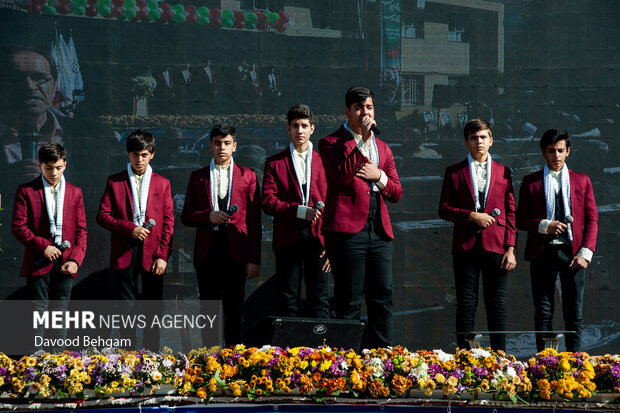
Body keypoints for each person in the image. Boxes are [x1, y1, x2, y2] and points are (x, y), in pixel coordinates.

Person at [318, 86, 402, 348]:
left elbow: (397, 192)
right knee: (349, 299)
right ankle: (347, 363)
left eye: (369, 108)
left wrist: (380, 177)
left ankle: (383, 360)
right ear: (347, 112)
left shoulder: (384, 148)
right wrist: (364, 141)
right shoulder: (331, 142)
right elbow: (341, 175)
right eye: (359, 108)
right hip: (347, 233)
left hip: (379, 231)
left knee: (382, 298)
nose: (365, 113)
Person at [438, 118, 517, 351]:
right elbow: (443, 209)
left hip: (497, 247)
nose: (479, 141)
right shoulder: (454, 172)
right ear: (466, 142)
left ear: (491, 140)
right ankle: (465, 358)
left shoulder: (504, 172)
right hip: (465, 246)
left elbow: (511, 213)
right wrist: (472, 216)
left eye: (483, 137)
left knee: (497, 305)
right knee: (466, 304)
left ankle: (501, 359)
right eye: (474, 138)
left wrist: (511, 248)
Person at [517, 129, 598, 352]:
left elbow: (592, 219)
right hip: (542, 253)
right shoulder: (530, 182)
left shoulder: (581, 180)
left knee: (574, 312)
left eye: (561, 150)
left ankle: (575, 364)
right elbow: (520, 219)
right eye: (551, 151)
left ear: (568, 151)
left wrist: (586, 253)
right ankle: (545, 363)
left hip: (574, 254)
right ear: (543, 152)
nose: (556, 156)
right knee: (543, 311)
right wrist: (545, 225)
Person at [182, 124, 261, 346]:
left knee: (235, 310)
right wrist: (208, 216)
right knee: (208, 311)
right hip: (207, 253)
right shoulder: (198, 177)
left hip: (237, 253)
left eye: (227, 143)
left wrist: (254, 259)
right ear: (210, 145)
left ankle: (234, 361)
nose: (222, 148)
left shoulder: (248, 176)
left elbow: (254, 222)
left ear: (235, 146)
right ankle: (209, 359)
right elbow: (186, 216)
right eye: (217, 143)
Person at [96, 129, 174, 351]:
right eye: (134, 155)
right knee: (125, 309)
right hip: (124, 250)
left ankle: (151, 357)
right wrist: (129, 228)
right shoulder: (115, 181)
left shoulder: (162, 183)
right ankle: (127, 359)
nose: (139, 160)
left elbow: (168, 222)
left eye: (143, 154)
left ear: (152, 155)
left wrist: (162, 255)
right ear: (127, 155)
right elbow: (102, 216)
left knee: (153, 309)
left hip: (153, 252)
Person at [11, 143, 87, 349]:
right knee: (38, 313)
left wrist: (76, 260)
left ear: (65, 165)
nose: (54, 173)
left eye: (59, 167)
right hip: (38, 260)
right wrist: (44, 246)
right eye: (48, 167)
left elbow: (81, 231)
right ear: (39, 165)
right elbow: (18, 227)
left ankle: (58, 364)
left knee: (60, 313)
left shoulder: (75, 192)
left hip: (66, 262)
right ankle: (37, 363)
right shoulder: (26, 190)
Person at [262, 104, 331, 318]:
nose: (299, 130)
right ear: (288, 129)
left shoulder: (325, 161)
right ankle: (287, 351)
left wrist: (333, 243)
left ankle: (322, 350)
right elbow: (268, 202)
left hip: (320, 239)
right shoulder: (274, 162)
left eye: (303, 125)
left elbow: (336, 203)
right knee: (287, 299)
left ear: (312, 128)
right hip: (287, 239)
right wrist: (301, 212)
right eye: (294, 126)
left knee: (320, 300)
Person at [0, 47, 63, 182]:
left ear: (54, 87)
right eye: (17, 78)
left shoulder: (88, 136)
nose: (29, 86)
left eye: (39, 78)